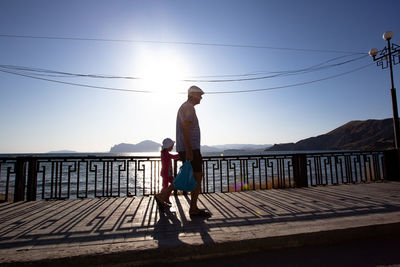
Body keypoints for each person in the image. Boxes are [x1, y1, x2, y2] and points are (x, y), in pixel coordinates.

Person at [155, 85, 210, 217]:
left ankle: (163, 196)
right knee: (197, 176)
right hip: (190, 148)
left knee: (187, 175)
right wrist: (190, 149)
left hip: (189, 148)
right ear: (192, 95)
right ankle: (193, 209)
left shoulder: (186, 107)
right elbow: (185, 129)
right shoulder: (188, 107)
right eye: (199, 95)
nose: (201, 97)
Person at [160, 138, 180, 205]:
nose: (172, 147)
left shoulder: (164, 153)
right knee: (174, 183)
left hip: (165, 172)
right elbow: (173, 157)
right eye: (171, 146)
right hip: (167, 173)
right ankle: (161, 196)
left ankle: (165, 198)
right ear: (168, 146)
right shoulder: (166, 154)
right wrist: (181, 155)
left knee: (165, 186)